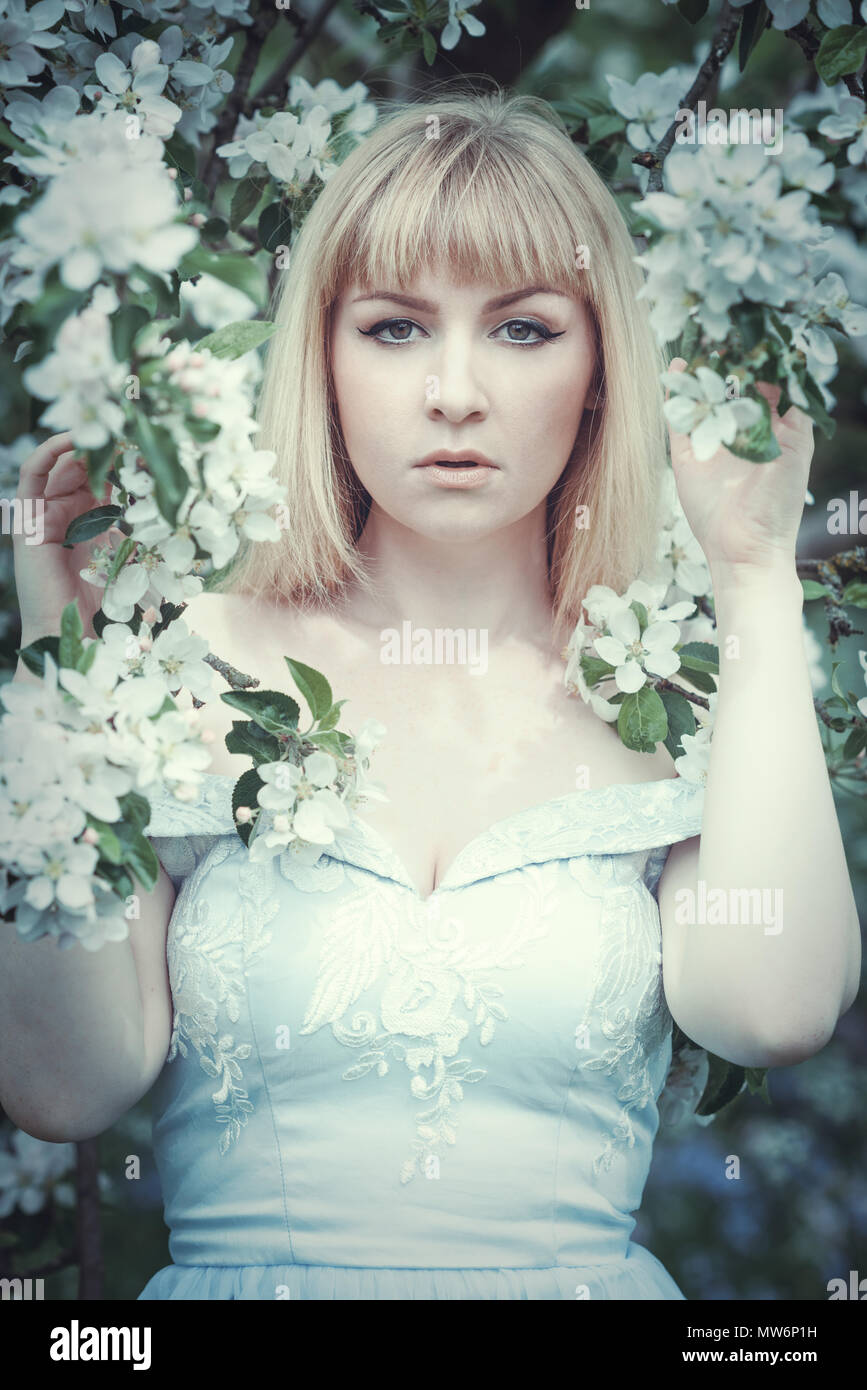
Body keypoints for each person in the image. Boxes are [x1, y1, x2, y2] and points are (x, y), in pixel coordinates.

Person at [4, 89, 859, 1301]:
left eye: (521, 330)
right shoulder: (175, 662)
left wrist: (754, 576)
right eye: (397, 328)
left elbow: (772, 1008)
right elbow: (60, 1084)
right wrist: (66, 667)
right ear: (325, 357)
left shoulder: (668, 683)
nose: (455, 393)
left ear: (603, 365)